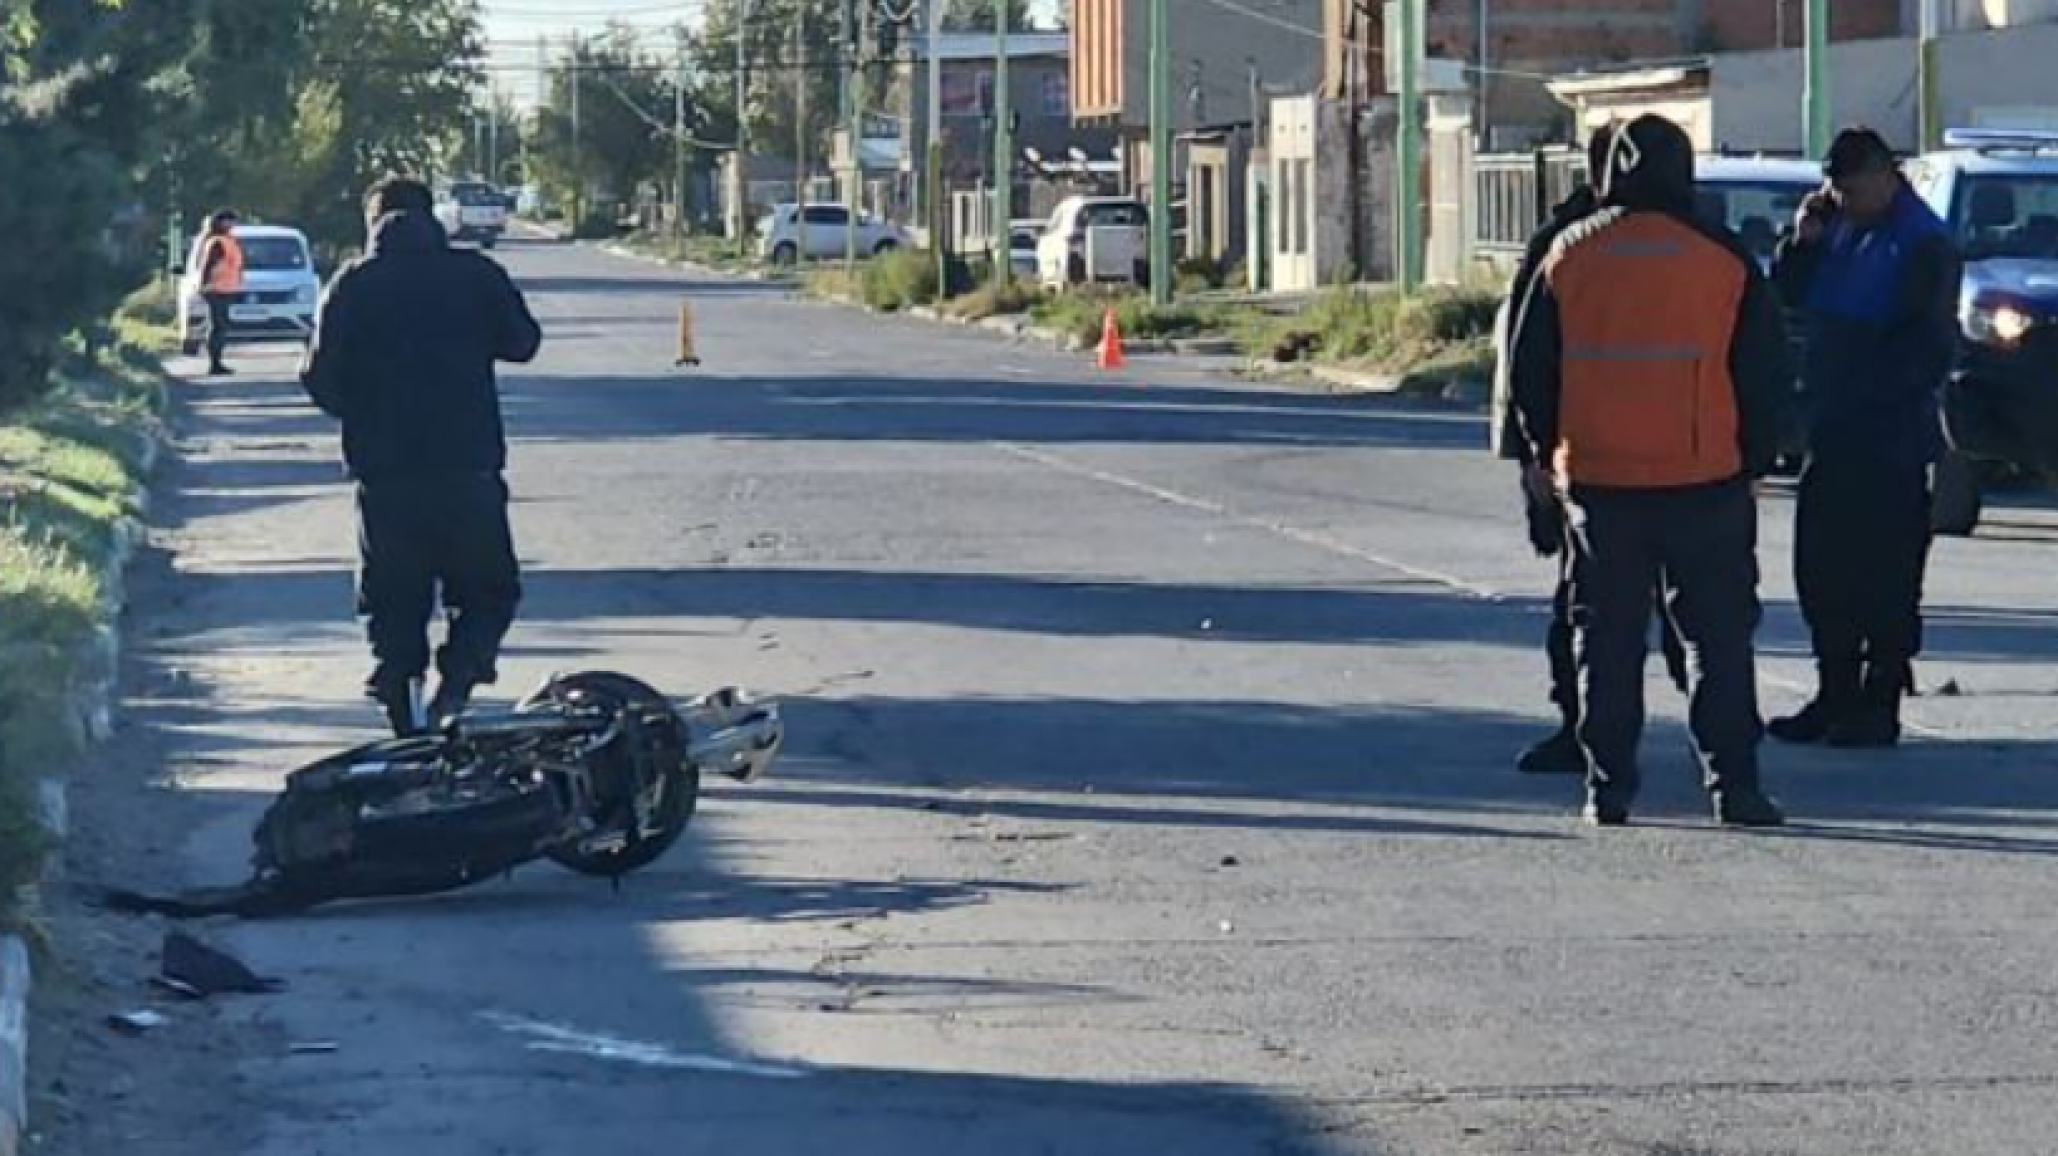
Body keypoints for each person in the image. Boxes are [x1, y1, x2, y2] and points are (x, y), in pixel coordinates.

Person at [1510, 114, 1795, 827]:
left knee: (1605, 641)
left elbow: (1529, 373)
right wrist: (1754, 460)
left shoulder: (1569, 256)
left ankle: (1607, 788)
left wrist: (1545, 454)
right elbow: (1765, 373)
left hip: (1601, 484)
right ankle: (1735, 786)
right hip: (1706, 481)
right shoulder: (1721, 258)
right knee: (1717, 639)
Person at [301, 176, 543, 736]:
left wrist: (362, 416)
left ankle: (398, 692)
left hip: (386, 475)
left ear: (373, 222)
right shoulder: (476, 275)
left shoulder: (354, 284)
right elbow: (523, 342)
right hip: (468, 465)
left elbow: (318, 376)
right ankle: (457, 681)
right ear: (432, 216)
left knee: (392, 593)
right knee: (487, 588)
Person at [1496, 124, 1690, 777]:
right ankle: (1583, 731)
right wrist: (1530, 454)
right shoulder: (1567, 243)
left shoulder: (1675, 243)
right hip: (1601, 463)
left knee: (1641, 612)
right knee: (1587, 610)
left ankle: (1708, 738)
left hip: (1636, 466)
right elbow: (1527, 358)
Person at [1769, 127, 1958, 749]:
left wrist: (1859, 399)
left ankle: (1878, 703)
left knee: (1886, 573)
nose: (1842, 200)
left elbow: (1925, 350)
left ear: (1886, 177)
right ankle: (1835, 692)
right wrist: (1800, 244)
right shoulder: (1836, 228)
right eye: (1834, 189)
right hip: (1832, 426)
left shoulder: (1922, 243)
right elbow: (1789, 295)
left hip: (1889, 436)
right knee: (1822, 570)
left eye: (1851, 189)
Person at [198, 210, 244, 377]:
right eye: (230, 221)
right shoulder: (217, 242)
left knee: (221, 326)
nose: (233, 225)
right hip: (216, 288)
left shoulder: (228, 240)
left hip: (225, 288)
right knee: (218, 327)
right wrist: (204, 284)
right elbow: (208, 265)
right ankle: (215, 363)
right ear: (221, 222)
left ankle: (217, 362)